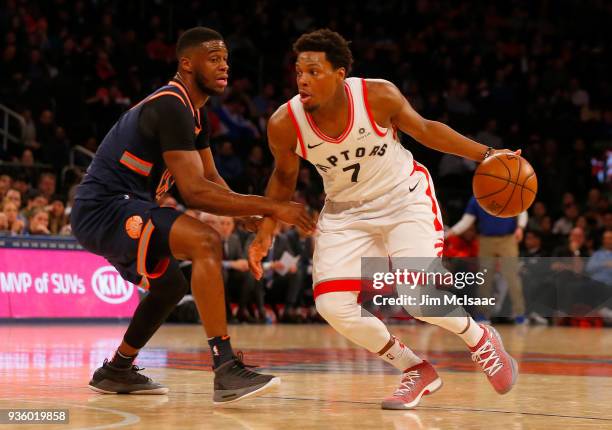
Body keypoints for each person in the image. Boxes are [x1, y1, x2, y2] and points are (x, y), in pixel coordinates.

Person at [248, 29, 518, 410]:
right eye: (298, 72)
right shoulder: (284, 122)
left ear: (339, 74)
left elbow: (425, 130)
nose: (303, 80)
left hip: (403, 201)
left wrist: (488, 153)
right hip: (346, 213)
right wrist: (265, 232)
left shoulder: (376, 95)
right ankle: (415, 369)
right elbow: (282, 179)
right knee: (332, 306)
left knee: (418, 299)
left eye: (313, 71)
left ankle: (479, 338)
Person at [70, 27, 314, 404]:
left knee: (170, 286)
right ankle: (225, 367)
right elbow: (195, 192)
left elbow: (212, 179)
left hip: (130, 205)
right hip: (104, 207)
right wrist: (271, 206)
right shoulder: (170, 105)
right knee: (205, 241)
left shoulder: (194, 113)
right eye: (214, 58)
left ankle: (117, 368)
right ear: (186, 63)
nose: (224, 66)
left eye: (226, 59)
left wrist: (248, 213)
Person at [448, 196, 528, 323]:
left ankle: (520, 314)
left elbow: (522, 210)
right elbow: (466, 221)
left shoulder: (509, 190)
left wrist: (520, 227)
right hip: (486, 240)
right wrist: (449, 233)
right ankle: (483, 314)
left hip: (508, 239)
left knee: (512, 276)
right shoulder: (477, 198)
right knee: (484, 278)